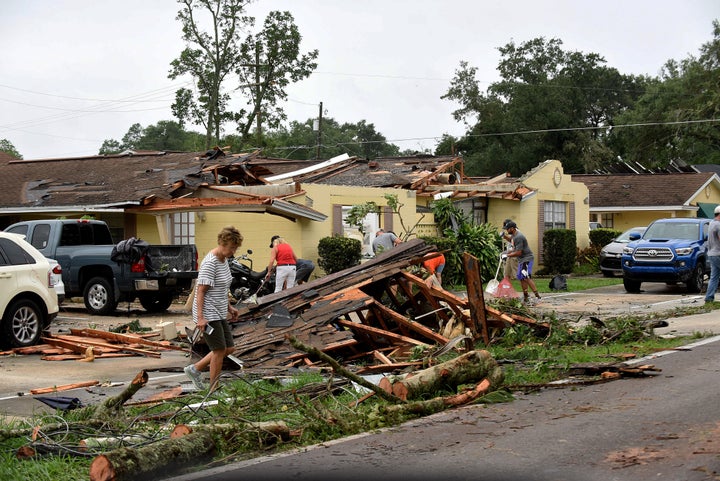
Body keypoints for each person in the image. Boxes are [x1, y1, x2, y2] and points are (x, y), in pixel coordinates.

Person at [184, 226, 243, 391]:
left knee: (229, 348)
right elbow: (200, 292)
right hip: (208, 313)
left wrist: (230, 307)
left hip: (219, 311)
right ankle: (213, 389)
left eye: (235, 248)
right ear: (222, 243)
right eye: (231, 247)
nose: (233, 251)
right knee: (218, 350)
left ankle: (195, 369)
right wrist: (201, 318)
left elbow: (221, 288)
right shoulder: (210, 263)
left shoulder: (223, 260)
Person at [503, 221, 541, 304]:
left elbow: (519, 252)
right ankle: (526, 297)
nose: (507, 231)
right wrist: (507, 252)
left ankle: (538, 296)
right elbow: (514, 247)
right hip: (522, 260)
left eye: (508, 229)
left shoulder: (519, 237)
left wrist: (508, 255)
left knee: (526, 277)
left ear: (512, 228)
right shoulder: (514, 235)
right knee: (521, 277)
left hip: (527, 259)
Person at [704, 205, 720, 304]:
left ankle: (709, 298)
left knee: (714, 276)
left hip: (712, 253)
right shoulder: (718, 225)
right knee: (714, 276)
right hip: (718, 253)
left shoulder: (711, 223)